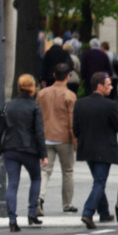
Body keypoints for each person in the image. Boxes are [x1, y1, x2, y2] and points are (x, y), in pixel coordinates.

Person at [73, 72, 118, 229]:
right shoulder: (110, 106)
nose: (111, 87)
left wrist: (81, 140)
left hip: (87, 149)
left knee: (98, 180)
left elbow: (75, 128)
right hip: (104, 149)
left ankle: (104, 213)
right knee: (100, 182)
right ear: (100, 86)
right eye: (108, 84)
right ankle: (88, 212)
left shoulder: (80, 104)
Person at [0, 74, 48, 231]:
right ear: (32, 88)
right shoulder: (34, 107)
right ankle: (32, 214)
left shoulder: (9, 105)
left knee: (13, 183)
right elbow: (39, 132)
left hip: (10, 149)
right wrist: (43, 154)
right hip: (29, 149)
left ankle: (12, 219)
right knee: (36, 178)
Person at [38, 62, 78, 214]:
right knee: (67, 171)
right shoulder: (70, 95)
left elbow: (38, 117)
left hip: (46, 136)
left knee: (45, 170)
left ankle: (39, 198)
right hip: (64, 138)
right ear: (68, 76)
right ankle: (67, 204)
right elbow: (72, 121)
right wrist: (75, 142)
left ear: (54, 75)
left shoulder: (42, 94)